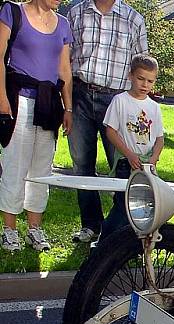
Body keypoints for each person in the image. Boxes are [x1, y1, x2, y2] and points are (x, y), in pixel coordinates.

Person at [67, 0, 148, 244]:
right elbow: (65, 58)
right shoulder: (76, 13)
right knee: (82, 165)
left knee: (122, 167)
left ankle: (119, 231)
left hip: (116, 100)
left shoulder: (133, 19)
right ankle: (91, 225)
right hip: (80, 93)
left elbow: (142, 66)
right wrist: (67, 103)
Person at [0, 0, 72, 253]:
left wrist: (68, 107)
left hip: (49, 102)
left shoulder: (63, 24)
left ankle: (34, 229)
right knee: (15, 164)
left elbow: (65, 68)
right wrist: (1, 98)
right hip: (19, 97)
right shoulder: (13, 11)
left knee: (42, 169)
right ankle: (9, 230)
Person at [99, 54, 163, 238]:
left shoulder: (154, 107)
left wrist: (153, 159)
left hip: (147, 165)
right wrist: (128, 154)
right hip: (127, 163)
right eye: (140, 78)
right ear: (131, 76)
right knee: (123, 205)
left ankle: (131, 244)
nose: (145, 85)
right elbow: (111, 131)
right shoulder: (120, 101)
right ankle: (106, 243)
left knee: (143, 205)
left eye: (150, 81)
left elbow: (159, 138)